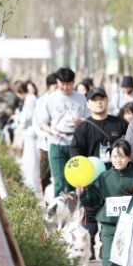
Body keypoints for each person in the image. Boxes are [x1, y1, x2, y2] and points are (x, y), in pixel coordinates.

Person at [77, 139, 133, 266]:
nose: (118, 160)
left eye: (122, 156)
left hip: (129, 226)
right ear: (109, 157)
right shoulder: (104, 177)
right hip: (109, 225)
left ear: (130, 158)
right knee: (108, 256)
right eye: (114, 156)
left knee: (126, 259)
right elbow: (95, 200)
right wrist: (83, 193)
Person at [70, 87, 129, 260]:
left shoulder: (119, 124)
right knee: (90, 219)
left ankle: (108, 249)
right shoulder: (83, 128)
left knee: (113, 218)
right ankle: (87, 251)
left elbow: (129, 149)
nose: (99, 102)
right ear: (88, 104)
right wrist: (79, 181)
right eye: (94, 100)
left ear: (107, 100)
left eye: (101, 98)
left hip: (115, 180)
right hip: (91, 182)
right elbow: (75, 155)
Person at [37, 67, 89, 196]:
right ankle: (59, 205)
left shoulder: (81, 98)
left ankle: (76, 205)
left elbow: (89, 119)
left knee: (76, 179)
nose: (66, 87)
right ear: (58, 82)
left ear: (73, 82)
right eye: (63, 84)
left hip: (76, 142)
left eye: (69, 84)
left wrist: (81, 121)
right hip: (57, 142)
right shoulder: (50, 99)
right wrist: (51, 131)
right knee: (59, 180)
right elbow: (42, 123)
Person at [32, 72, 58, 193]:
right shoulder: (42, 101)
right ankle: (46, 197)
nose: (58, 89)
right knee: (45, 172)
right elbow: (37, 123)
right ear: (49, 86)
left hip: (60, 143)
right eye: (55, 86)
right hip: (45, 144)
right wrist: (46, 134)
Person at [16, 81, 40, 192]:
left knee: (31, 160)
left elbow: (26, 118)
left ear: (20, 92)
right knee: (28, 160)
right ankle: (29, 184)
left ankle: (32, 185)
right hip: (29, 133)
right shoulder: (30, 99)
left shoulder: (30, 99)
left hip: (31, 133)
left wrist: (19, 120)